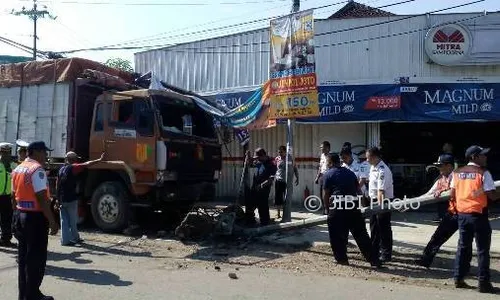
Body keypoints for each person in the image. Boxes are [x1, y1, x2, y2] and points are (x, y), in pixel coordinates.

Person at [12, 141, 59, 300]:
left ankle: (24, 294)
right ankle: (33, 295)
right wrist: (52, 221)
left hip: (21, 214)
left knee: (24, 258)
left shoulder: (19, 168)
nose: (46, 156)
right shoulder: (37, 170)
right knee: (36, 259)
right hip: (35, 218)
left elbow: (14, 196)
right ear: (36, 152)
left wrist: (16, 215)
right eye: (44, 152)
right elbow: (41, 198)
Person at [451, 145, 497, 294]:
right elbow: (492, 195)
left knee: (463, 247)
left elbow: (452, 193)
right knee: (483, 250)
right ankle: (483, 283)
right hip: (478, 215)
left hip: (463, 216)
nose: (485, 157)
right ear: (474, 157)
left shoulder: (457, 172)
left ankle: (458, 278)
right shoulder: (483, 173)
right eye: (482, 155)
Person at [323, 153, 381, 268]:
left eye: (327, 163)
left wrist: (327, 210)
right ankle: (374, 260)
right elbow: (359, 191)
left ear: (330, 163)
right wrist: (359, 207)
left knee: (336, 235)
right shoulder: (350, 173)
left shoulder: (328, 174)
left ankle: (342, 259)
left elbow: (325, 194)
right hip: (353, 206)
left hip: (338, 207)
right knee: (361, 235)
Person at [415, 154, 457, 268]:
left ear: (449, 166)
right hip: (453, 212)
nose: (439, 169)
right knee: (437, 237)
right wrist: (410, 203)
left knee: (467, 241)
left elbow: (455, 192)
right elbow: (427, 195)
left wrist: (443, 191)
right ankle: (425, 261)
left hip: (465, 213)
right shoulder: (440, 179)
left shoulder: (458, 177)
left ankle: (463, 269)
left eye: (441, 166)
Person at [57, 151, 105, 246]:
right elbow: (86, 164)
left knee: (64, 220)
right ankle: (75, 238)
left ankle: (65, 240)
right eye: (76, 159)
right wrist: (99, 160)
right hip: (71, 198)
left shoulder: (61, 169)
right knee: (73, 220)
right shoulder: (73, 167)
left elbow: (57, 184)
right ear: (73, 160)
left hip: (62, 198)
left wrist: (58, 199)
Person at [366, 147, 394, 263]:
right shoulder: (373, 167)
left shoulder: (382, 170)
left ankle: (386, 254)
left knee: (383, 228)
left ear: (375, 157)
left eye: (368, 158)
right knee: (374, 227)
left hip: (382, 201)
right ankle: (374, 251)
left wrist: (380, 208)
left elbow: (381, 191)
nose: (367, 160)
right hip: (374, 201)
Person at [245, 148, 277, 227]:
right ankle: (250, 221)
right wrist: (248, 157)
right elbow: (249, 165)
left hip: (264, 188)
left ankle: (265, 223)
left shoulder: (271, 163)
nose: (258, 159)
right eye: (257, 158)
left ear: (264, 155)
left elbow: (271, 179)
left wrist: (261, 186)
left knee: (262, 205)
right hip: (255, 186)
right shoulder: (259, 161)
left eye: (259, 157)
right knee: (250, 203)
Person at [0, 143, 18, 247]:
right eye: (3, 152)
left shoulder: (14, 165)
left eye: (8, 153)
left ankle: (5, 239)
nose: (6, 155)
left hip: (8, 196)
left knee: (7, 218)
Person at [274, 146, 299, 219]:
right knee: (278, 197)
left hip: (287, 181)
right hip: (279, 180)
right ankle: (278, 213)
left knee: (286, 197)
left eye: (281, 152)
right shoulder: (277, 159)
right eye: (279, 152)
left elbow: (295, 168)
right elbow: (274, 169)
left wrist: (297, 177)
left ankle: (286, 213)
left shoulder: (290, 158)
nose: (280, 153)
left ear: (285, 152)